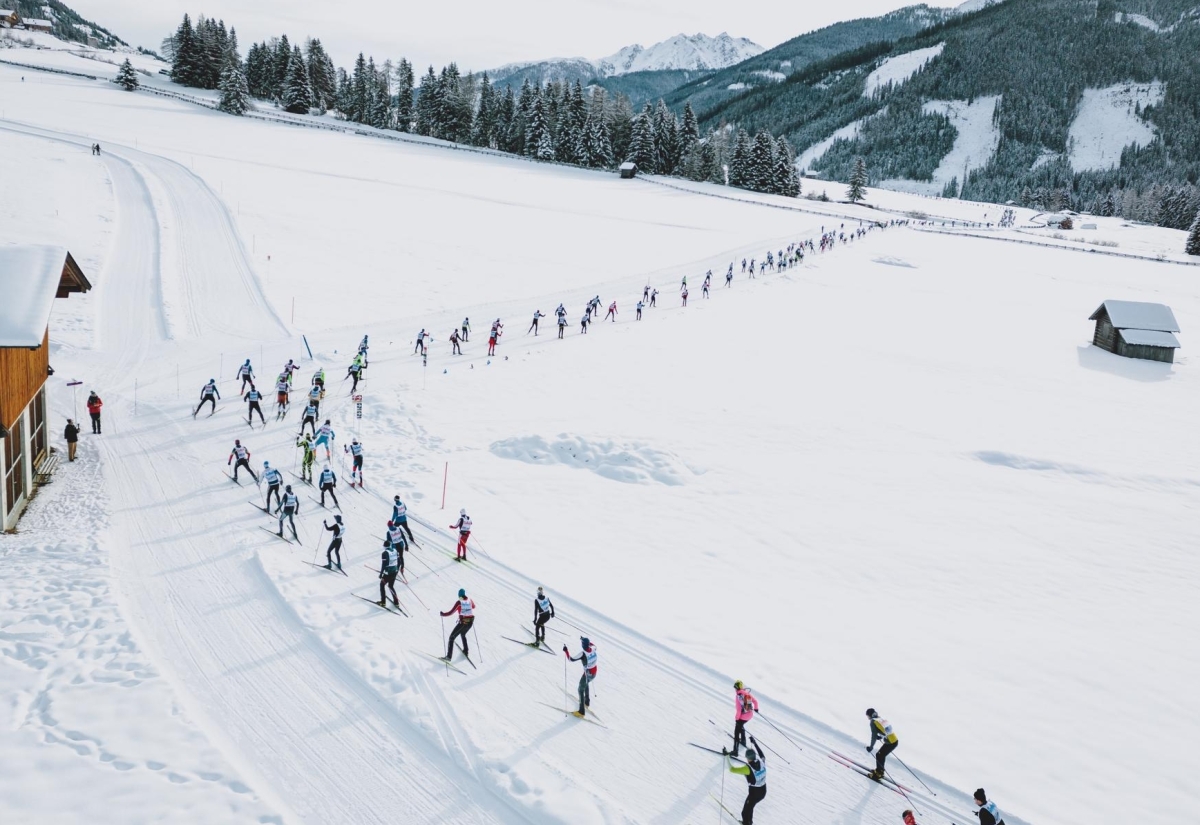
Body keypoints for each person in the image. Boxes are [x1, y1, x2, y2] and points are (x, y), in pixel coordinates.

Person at [725, 736, 767, 825]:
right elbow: (762, 754)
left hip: (754, 794)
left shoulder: (747, 768)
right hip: (763, 792)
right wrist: (754, 743)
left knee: (744, 812)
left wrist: (727, 756)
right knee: (750, 808)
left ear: (748, 758)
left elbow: (731, 769)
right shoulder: (761, 762)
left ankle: (746, 823)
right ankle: (748, 822)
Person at [563, 637, 598, 716]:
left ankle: (581, 712)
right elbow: (593, 645)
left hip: (588, 673)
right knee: (586, 683)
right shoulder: (593, 648)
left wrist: (566, 650)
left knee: (580, 689)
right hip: (594, 672)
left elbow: (570, 659)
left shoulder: (583, 654)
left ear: (582, 645)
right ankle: (587, 702)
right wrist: (585, 640)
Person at [439, 589, 475, 660]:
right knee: (463, 634)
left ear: (459, 595)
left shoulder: (459, 602)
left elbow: (451, 612)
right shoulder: (470, 600)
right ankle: (466, 651)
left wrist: (443, 614)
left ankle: (449, 657)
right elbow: (473, 606)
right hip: (470, 623)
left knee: (451, 637)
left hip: (463, 623)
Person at [865, 708, 898, 780]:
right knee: (880, 755)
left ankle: (878, 774)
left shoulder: (873, 722)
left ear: (870, 715)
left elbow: (873, 736)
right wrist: (880, 736)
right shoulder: (879, 718)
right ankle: (880, 771)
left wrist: (871, 747)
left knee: (879, 755)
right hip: (894, 740)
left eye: (867, 716)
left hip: (891, 742)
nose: (868, 718)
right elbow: (885, 729)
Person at [733, 680, 759, 757]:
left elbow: (738, 710)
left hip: (742, 716)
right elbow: (755, 701)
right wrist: (756, 708)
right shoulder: (746, 693)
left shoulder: (738, 696)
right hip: (750, 715)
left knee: (736, 732)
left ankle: (735, 751)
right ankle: (743, 741)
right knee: (741, 725)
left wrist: (736, 719)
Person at [378, 539, 401, 607]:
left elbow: (384, 564)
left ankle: (383, 602)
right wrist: (397, 569)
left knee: (382, 585)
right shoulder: (395, 550)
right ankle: (396, 602)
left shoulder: (384, 553)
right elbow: (399, 561)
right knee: (391, 586)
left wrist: (381, 574)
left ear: (384, 546)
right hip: (395, 571)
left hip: (388, 573)